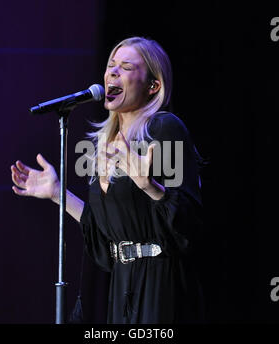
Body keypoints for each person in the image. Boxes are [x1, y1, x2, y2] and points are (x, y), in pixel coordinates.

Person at [11, 36, 205, 324]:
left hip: (161, 284)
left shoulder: (164, 128)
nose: (112, 72)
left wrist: (148, 185)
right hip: (120, 287)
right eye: (111, 65)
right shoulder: (101, 146)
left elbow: (188, 222)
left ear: (153, 86)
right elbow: (103, 236)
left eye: (126, 67)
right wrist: (57, 193)